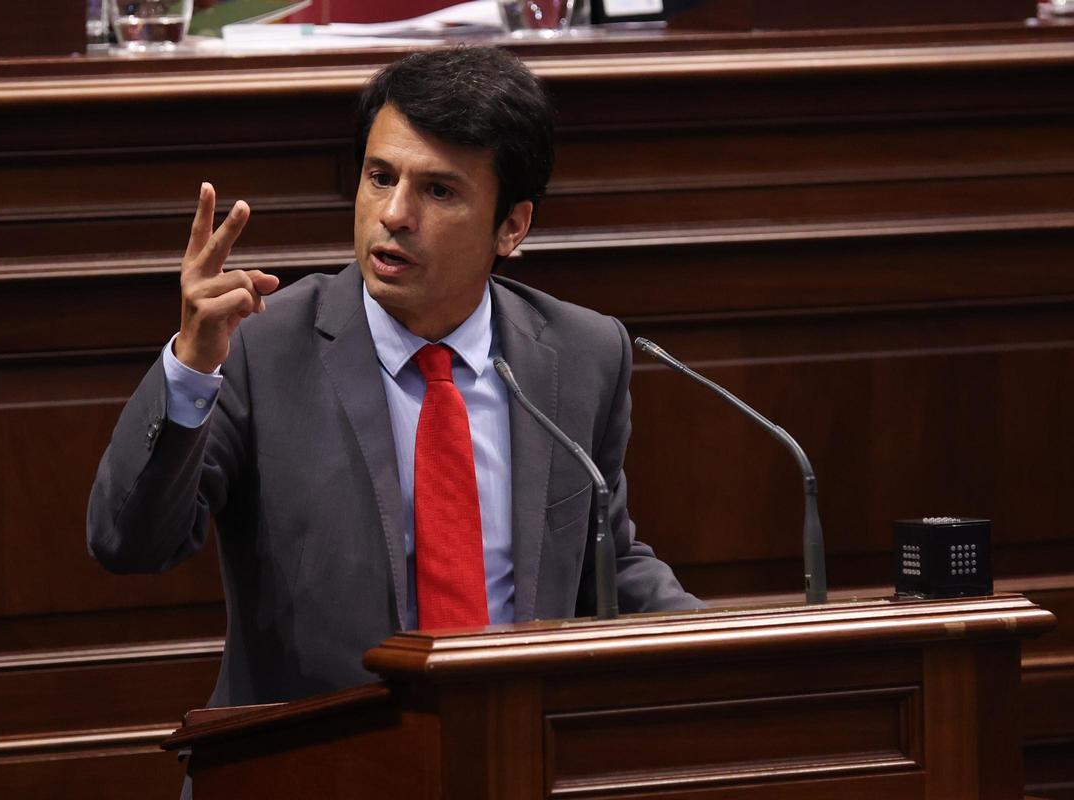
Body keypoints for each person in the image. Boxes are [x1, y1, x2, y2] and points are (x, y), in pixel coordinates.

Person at [87, 46, 702, 712]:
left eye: (438, 191)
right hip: (319, 750)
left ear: (511, 226)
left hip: (513, 740)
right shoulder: (258, 347)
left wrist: (726, 644)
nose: (394, 214)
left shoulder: (582, 353)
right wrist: (190, 368)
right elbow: (129, 543)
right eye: (380, 177)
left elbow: (605, 561)